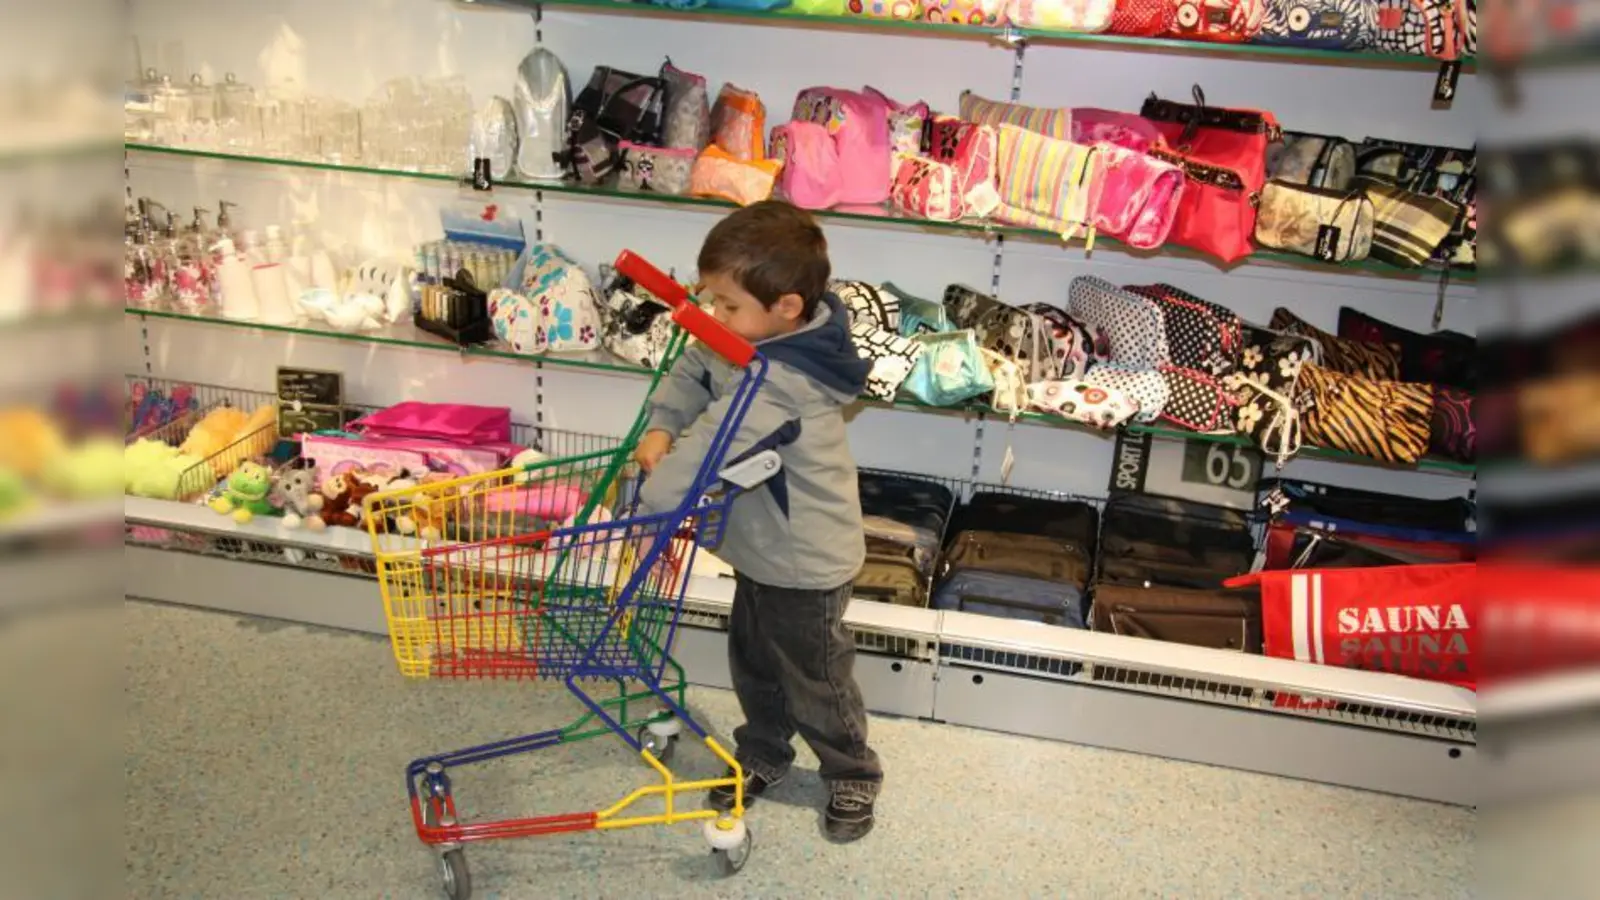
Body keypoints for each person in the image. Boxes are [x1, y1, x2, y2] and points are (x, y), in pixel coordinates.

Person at [633, 200, 882, 843]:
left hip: (806, 561)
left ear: (788, 307)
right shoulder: (750, 336)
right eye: (712, 303)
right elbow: (694, 368)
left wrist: (645, 511)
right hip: (758, 548)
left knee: (816, 677)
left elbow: (711, 447)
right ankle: (765, 750)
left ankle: (852, 770)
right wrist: (662, 424)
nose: (717, 318)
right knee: (754, 662)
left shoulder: (783, 381)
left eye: (727, 306)